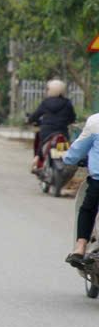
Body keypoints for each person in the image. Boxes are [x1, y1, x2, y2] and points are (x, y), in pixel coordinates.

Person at [64, 112, 99, 267]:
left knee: (88, 209)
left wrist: (68, 159)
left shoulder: (95, 122)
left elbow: (76, 152)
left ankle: (80, 247)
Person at [28, 79, 78, 167]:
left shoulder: (45, 103)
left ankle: (37, 161)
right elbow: (72, 118)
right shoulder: (67, 103)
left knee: (41, 143)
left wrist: (30, 120)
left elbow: (35, 115)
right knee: (63, 153)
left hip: (47, 131)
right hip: (61, 132)